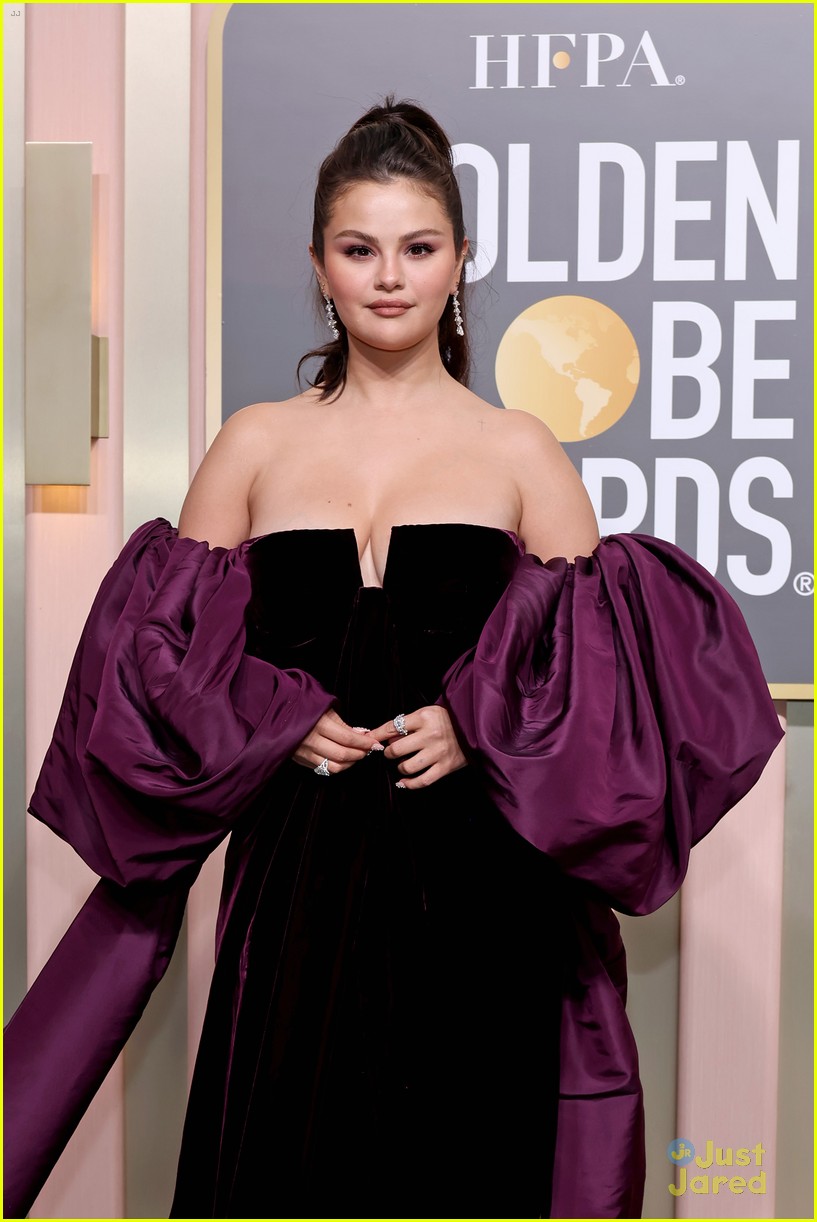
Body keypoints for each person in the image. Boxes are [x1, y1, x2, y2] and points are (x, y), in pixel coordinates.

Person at [4, 99, 782, 1221]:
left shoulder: (519, 449)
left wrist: (476, 723)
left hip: (477, 885)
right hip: (295, 882)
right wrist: (271, 720)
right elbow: (152, 671)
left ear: (461, 260)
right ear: (319, 263)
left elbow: (601, 685)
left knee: (468, 1163)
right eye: (358, 249)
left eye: (417, 248)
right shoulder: (254, 443)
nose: (388, 277)